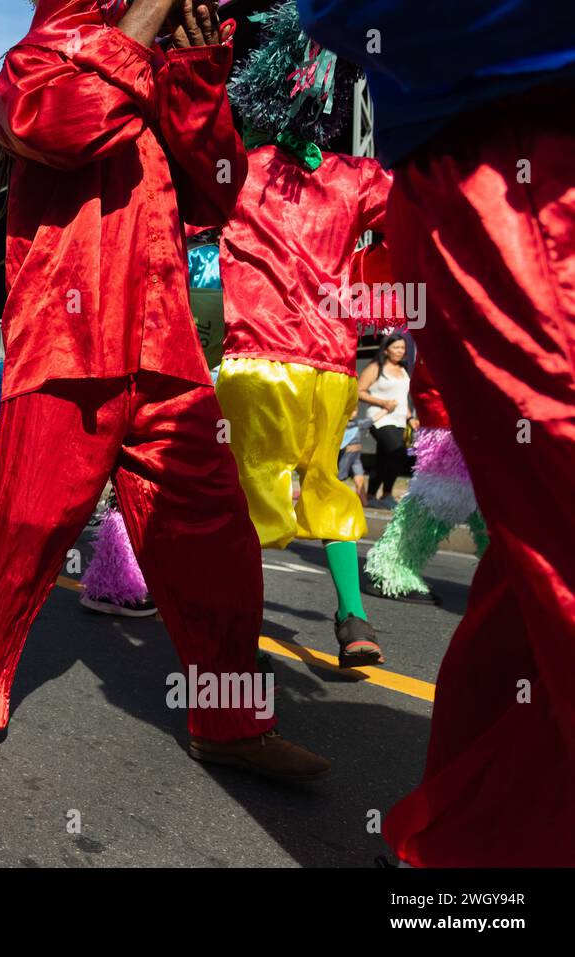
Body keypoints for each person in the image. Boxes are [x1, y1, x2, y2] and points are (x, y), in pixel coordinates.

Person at [0, 1, 328, 781]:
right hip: (65, 338)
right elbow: (69, 129)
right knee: (25, 527)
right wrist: (141, 30)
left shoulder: (154, 66)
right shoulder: (33, 63)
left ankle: (227, 719)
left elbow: (218, 189)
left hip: (165, 345)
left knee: (217, 542)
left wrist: (193, 78)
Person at [298, 0, 575, 868]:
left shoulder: (349, 190)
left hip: (342, 373)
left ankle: (463, 860)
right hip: (508, 174)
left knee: (524, 582)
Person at [214, 3, 391, 668]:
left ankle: (237, 634)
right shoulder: (354, 177)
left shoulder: (238, 170)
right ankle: (352, 619)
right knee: (327, 484)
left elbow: (176, 209)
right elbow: (412, 203)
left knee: (248, 500)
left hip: (258, 365)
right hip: (333, 373)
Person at [363, 358, 487, 605]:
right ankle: (393, 565)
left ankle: (512, 575)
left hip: (498, 399)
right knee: (445, 491)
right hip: (462, 397)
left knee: (495, 495)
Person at [357, 333, 413, 509]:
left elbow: (402, 397)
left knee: (385, 458)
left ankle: (372, 495)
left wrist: (411, 417)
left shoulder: (403, 370)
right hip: (379, 418)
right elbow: (359, 391)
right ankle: (387, 493)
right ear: (386, 349)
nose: (399, 351)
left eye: (402, 348)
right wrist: (382, 402)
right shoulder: (376, 367)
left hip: (400, 420)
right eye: (396, 347)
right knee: (398, 452)